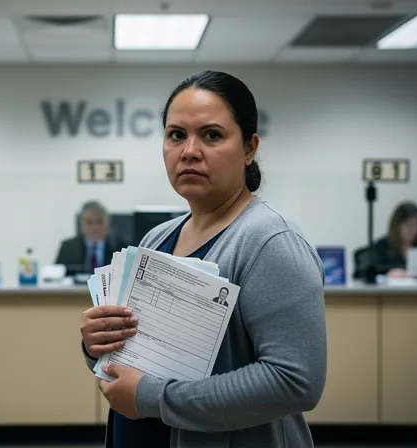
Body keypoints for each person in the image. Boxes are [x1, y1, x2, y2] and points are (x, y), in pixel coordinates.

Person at [78, 71, 327, 448]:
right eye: (176, 135)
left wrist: (152, 398)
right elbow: (134, 363)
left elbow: (294, 381)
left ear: (249, 148)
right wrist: (97, 345)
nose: (189, 150)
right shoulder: (157, 238)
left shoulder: (270, 241)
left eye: (211, 135)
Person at [353, 201, 417, 279]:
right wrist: (387, 275)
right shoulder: (382, 247)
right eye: (407, 225)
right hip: (392, 297)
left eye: (416, 225)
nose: (411, 230)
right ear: (396, 226)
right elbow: (363, 275)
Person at [55, 200, 129, 276]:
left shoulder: (121, 248)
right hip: (77, 288)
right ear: (82, 224)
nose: (94, 227)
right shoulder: (68, 248)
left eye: (99, 222)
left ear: (107, 224)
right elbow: (56, 275)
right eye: (89, 222)